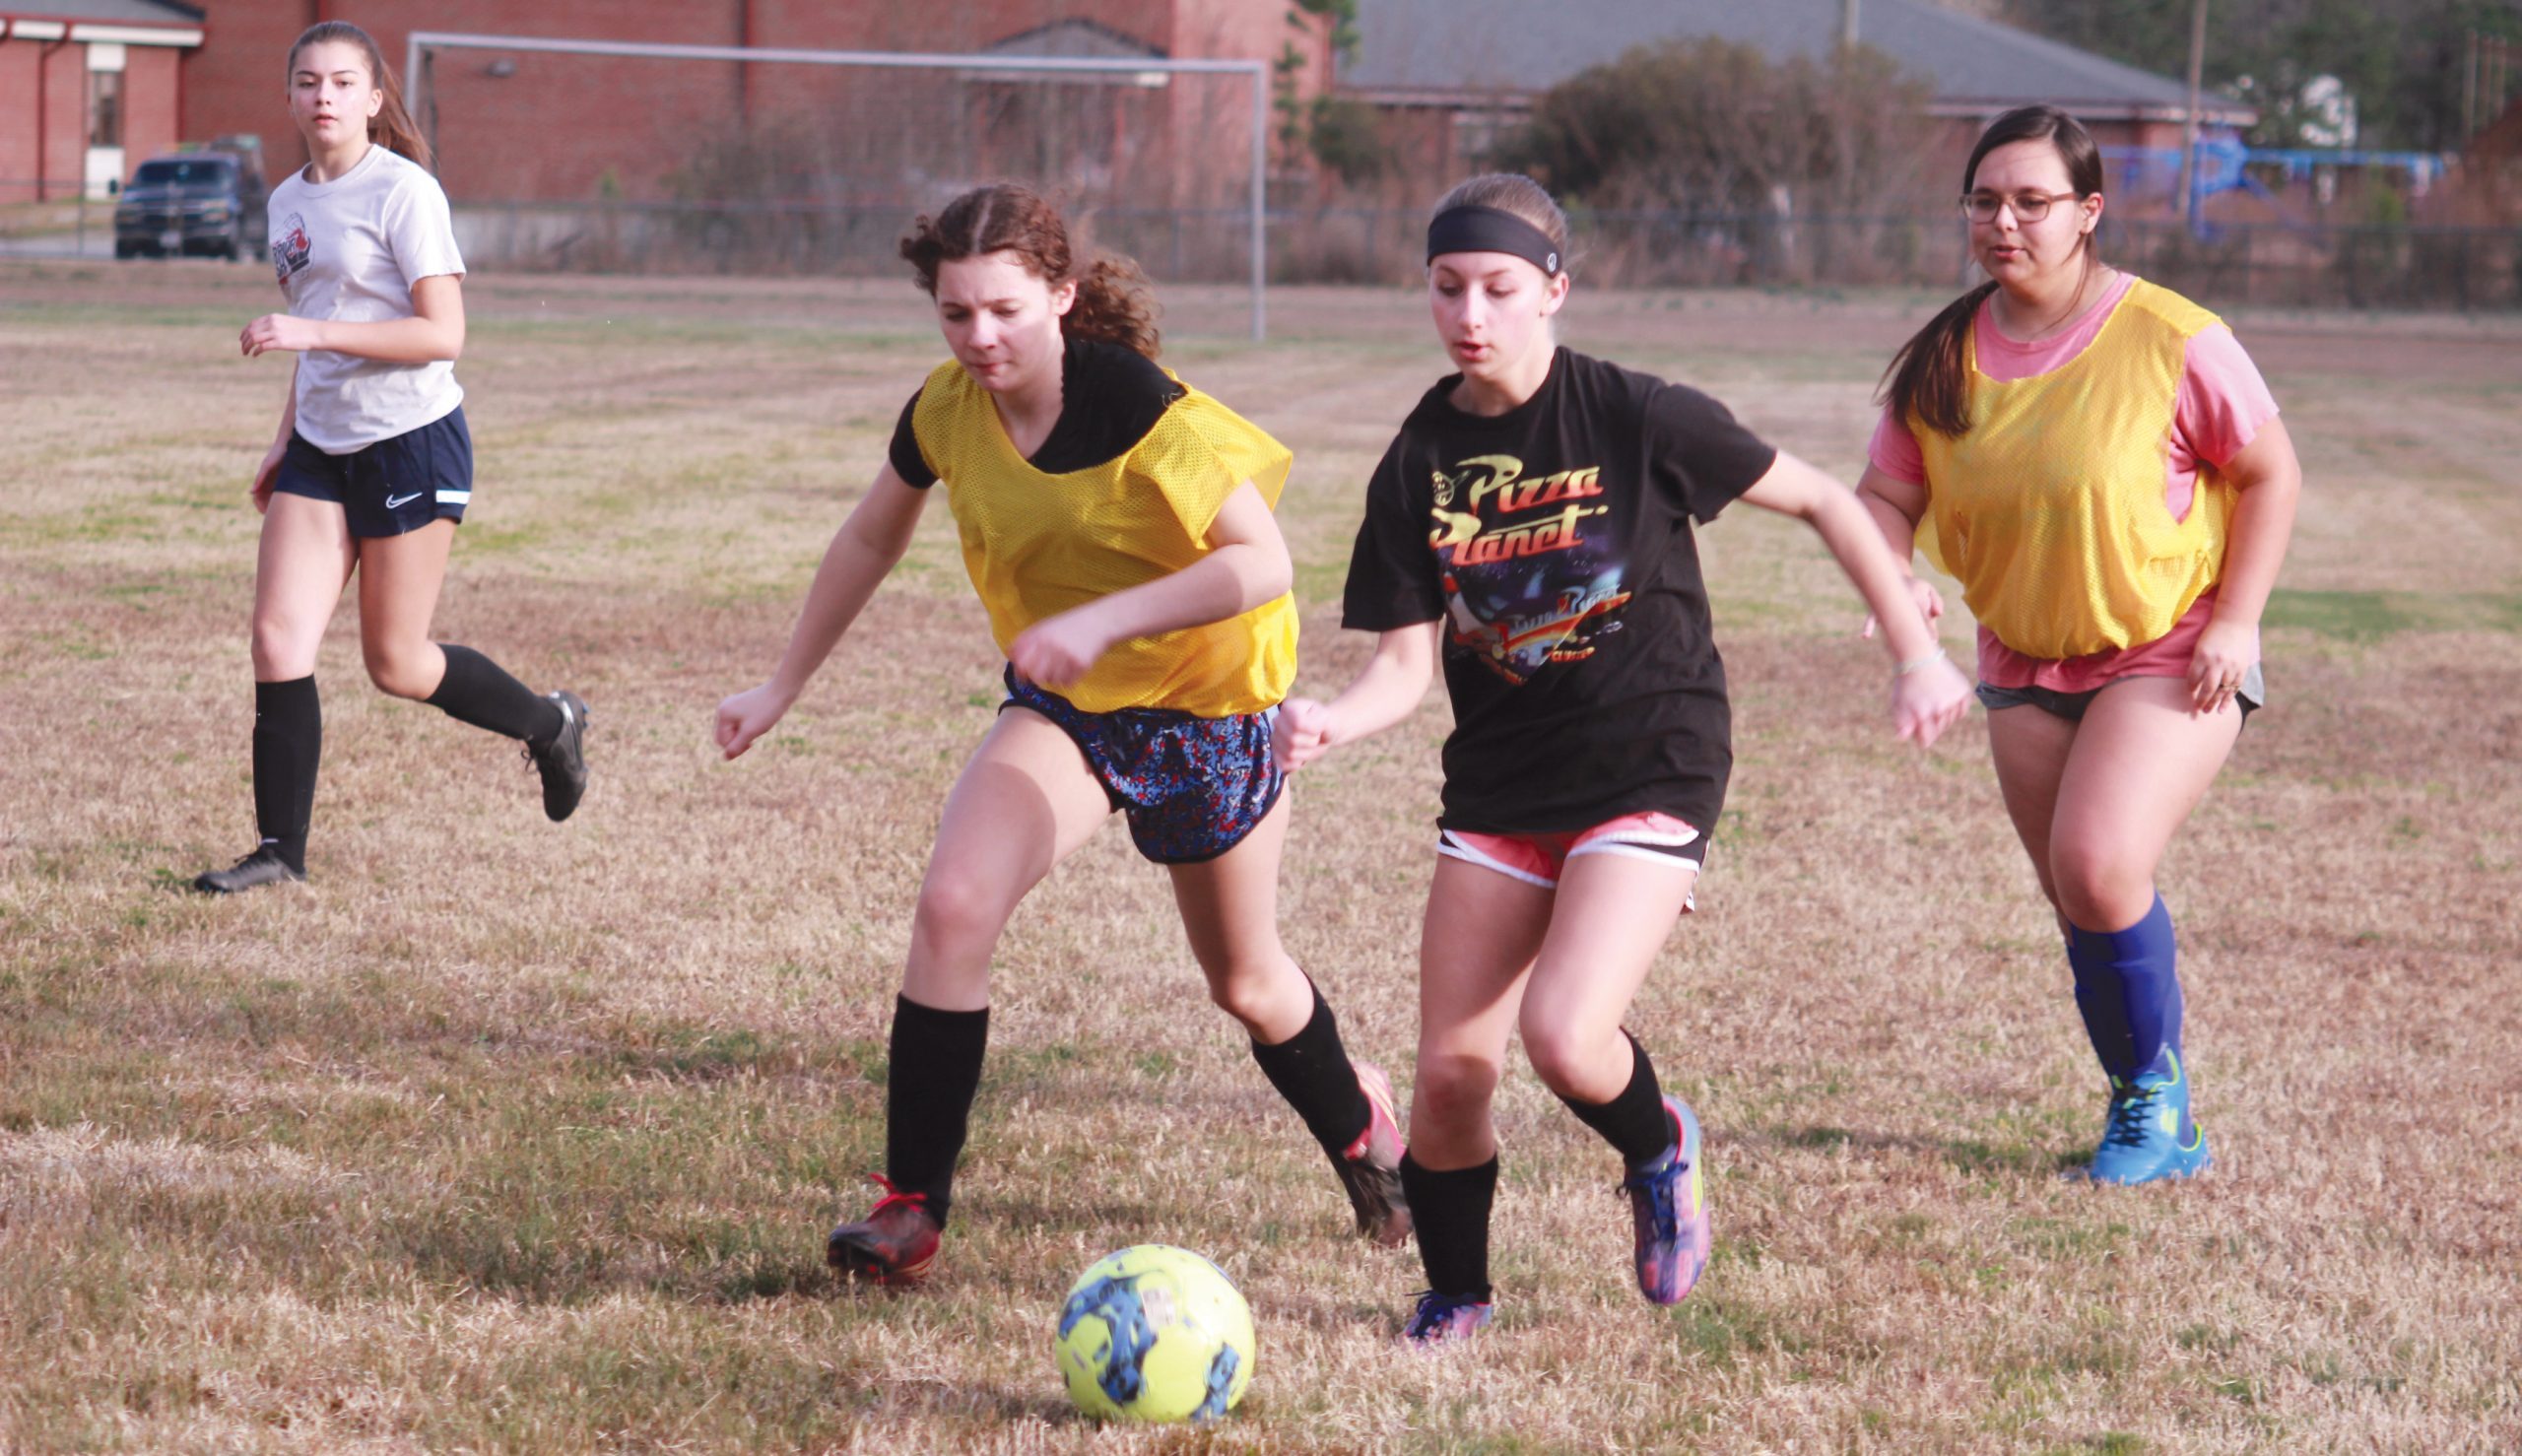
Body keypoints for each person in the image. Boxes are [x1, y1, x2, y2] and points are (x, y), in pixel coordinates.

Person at [1275, 173, 1972, 1346]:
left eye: (1499, 287)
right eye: (1448, 288)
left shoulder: (1633, 412)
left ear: (1555, 287)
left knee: (1563, 1032)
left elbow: (1819, 500)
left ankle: (1657, 1146)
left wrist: (1914, 652)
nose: (1471, 313)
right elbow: (1406, 662)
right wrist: (1336, 719)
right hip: (1501, 784)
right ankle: (1457, 1291)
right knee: (1449, 1074)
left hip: (1652, 753)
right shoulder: (1417, 461)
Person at [713, 183, 1408, 1284]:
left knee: (1246, 981)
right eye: (955, 313)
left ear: (1061, 296)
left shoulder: (1134, 400)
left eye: (1004, 309)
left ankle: (1367, 1130)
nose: (979, 338)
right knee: (953, 903)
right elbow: (866, 538)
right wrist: (781, 684)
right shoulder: (943, 410)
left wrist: (1099, 619)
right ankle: (909, 1206)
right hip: (1074, 710)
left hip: (1208, 711)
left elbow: (1262, 563)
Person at [1855, 105, 2300, 1185]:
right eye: (1984, 200)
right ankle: (2143, 1092)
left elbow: (2269, 473)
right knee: (2077, 894)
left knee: (2099, 867)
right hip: (2021, 654)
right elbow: (1880, 497)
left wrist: (2237, 620)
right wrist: (1893, 578)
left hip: (2169, 644)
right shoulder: (1941, 359)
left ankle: (2157, 1114)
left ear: (2088, 211)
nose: (2003, 221)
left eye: (2032, 201)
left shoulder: (2173, 336)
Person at [194, 21, 588, 895]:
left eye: (341, 82)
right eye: (307, 82)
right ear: (292, 96)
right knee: (276, 639)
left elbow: (442, 334)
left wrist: (312, 333)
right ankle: (278, 855)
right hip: (320, 447)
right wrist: (283, 432)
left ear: (373, 98)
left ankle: (549, 724)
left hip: (410, 440)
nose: (323, 97)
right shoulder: (286, 201)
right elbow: (321, 323)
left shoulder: (405, 192)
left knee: (396, 664)